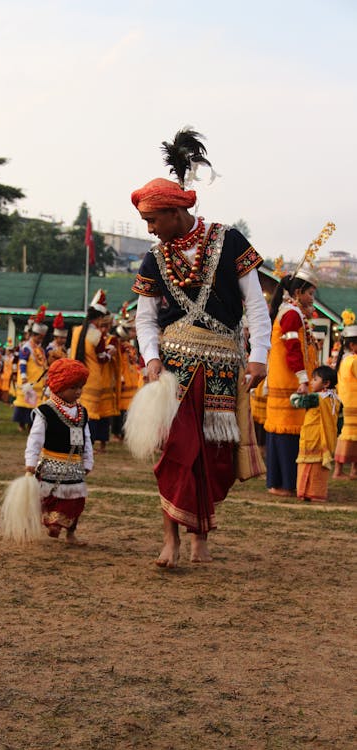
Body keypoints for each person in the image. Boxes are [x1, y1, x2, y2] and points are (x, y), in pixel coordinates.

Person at [131, 128, 271, 567]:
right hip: (172, 368)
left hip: (224, 367)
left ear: (174, 212)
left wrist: (259, 356)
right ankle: (170, 538)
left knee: (212, 458)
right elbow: (145, 316)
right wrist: (151, 358)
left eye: (153, 221)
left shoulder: (229, 241)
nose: (150, 230)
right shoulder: (155, 257)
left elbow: (255, 304)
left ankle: (200, 539)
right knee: (174, 451)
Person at [24, 357, 93, 544]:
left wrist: (88, 461)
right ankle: (53, 524)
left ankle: (71, 533)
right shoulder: (45, 411)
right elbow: (35, 438)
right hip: (50, 468)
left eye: (81, 387)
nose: (78, 392)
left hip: (75, 468)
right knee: (51, 499)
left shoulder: (82, 412)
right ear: (59, 386)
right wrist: (30, 462)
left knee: (76, 501)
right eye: (73, 387)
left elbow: (86, 438)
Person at [264, 271, 319, 496]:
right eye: (310, 294)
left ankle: (279, 483)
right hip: (289, 382)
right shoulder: (292, 314)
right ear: (298, 292)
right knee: (287, 433)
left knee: (281, 432)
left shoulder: (292, 312)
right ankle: (285, 484)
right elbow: (293, 350)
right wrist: (303, 379)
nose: (312, 299)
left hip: (286, 380)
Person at [70, 290, 118, 451]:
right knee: (92, 415)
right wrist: (111, 352)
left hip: (76, 377)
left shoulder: (76, 331)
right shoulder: (96, 334)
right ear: (98, 318)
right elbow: (102, 358)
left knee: (77, 413)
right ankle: (88, 446)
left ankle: (76, 443)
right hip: (93, 378)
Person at [290, 365, 340, 502]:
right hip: (326, 439)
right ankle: (316, 493)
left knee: (308, 465)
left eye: (315, 379)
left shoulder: (316, 398)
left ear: (326, 383)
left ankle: (305, 492)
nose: (311, 382)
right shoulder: (335, 399)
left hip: (312, 438)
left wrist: (296, 394)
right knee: (319, 468)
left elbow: (296, 402)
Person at [13, 306, 48, 431]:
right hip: (27, 380)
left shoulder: (40, 349)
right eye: (39, 337)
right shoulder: (26, 348)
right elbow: (22, 363)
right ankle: (21, 424)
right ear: (34, 335)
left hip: (38, 383)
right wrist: (23, 377)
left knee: (35, 405)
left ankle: (31, 425)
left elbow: (44, 365)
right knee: (24, 404)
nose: (40, 340)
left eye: (42, 338)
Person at [333, 316, 357, 479]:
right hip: (354, 402)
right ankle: (340, 470)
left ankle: (351, 470)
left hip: (348, 401)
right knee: (349, 436)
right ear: (353, 345)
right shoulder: (354, 360)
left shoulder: (345, 359)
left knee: (350, 435)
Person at [111, 305, 140, 440]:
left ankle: (125, 432)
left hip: (133, 377)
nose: (134, 332)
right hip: (123, 378)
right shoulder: (119, 345)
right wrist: (121, 377)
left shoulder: (130, 346)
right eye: (131, 330)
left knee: (130, 407)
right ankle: (118, 432)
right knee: (122, 407)